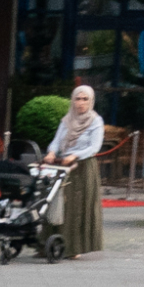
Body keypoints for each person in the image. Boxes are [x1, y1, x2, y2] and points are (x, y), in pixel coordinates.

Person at [45, 84, 106, 259]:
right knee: (56, 204)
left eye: (85, 99)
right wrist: (51, 152)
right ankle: (51, 242)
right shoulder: (67, 119)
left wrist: (75, 155)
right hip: (63, 166)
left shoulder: (95, 121)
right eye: (78, 99)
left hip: (83, 168)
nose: (81, 103)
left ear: (91, 101)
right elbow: (57, 141)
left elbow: (94, 148)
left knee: (76, 207)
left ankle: (74, 247)